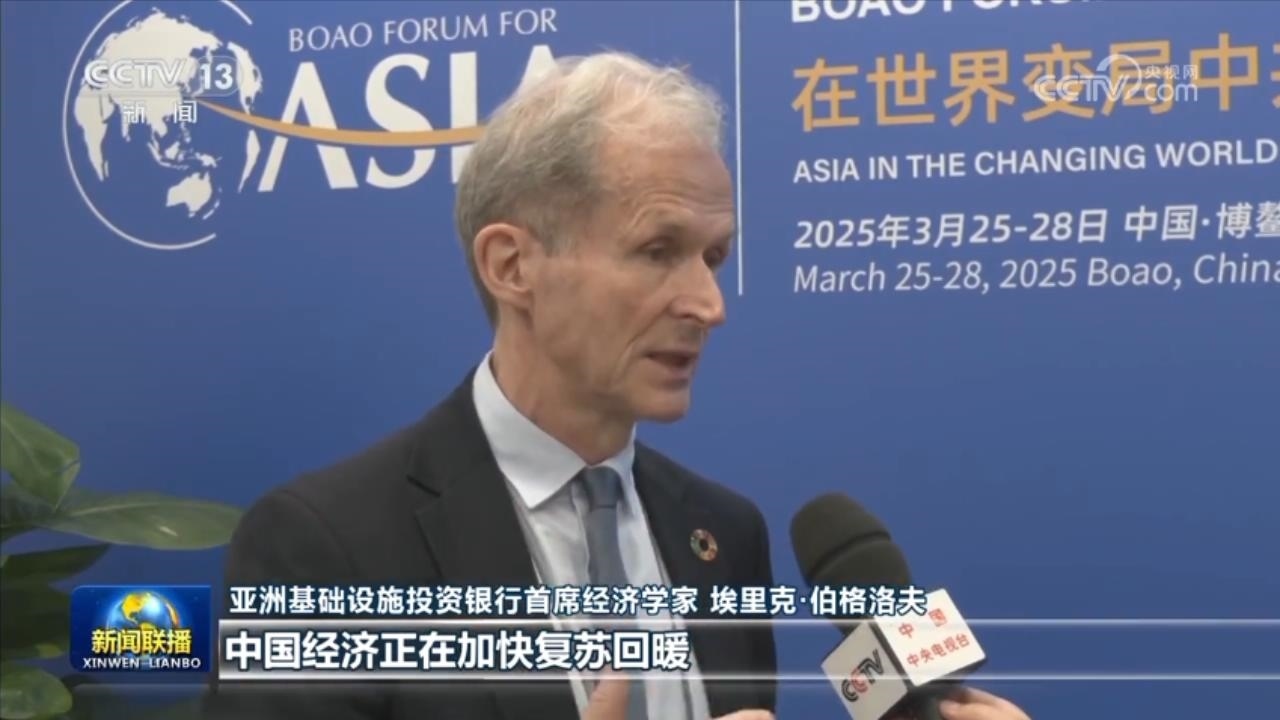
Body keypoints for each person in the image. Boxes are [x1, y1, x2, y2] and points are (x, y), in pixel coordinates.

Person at [203, 51, 1033, 720]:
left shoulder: (725, 534)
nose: (709, 304)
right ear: (512, 265)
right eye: (657, 251)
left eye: (714, 257)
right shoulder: (328, 547)